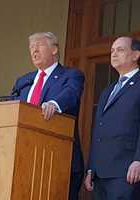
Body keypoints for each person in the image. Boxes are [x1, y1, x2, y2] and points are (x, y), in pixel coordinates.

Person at [11, 32, 85, 199]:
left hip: (57, 159)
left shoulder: (71, 75)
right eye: (31, 47)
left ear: (54, 49)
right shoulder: (24, 81)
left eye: (39, 45)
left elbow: (71, 94)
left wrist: (54, 104)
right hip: (23, 158)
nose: (34, 51)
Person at [84, 37, 140, 200]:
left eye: (120, 50)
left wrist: (138, 160)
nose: (114, 54)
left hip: (127, 169)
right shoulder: (107, 91)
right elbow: (98, 131)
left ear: (136, 55)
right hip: (101, 173)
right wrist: (91, 169)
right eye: (112, 51)